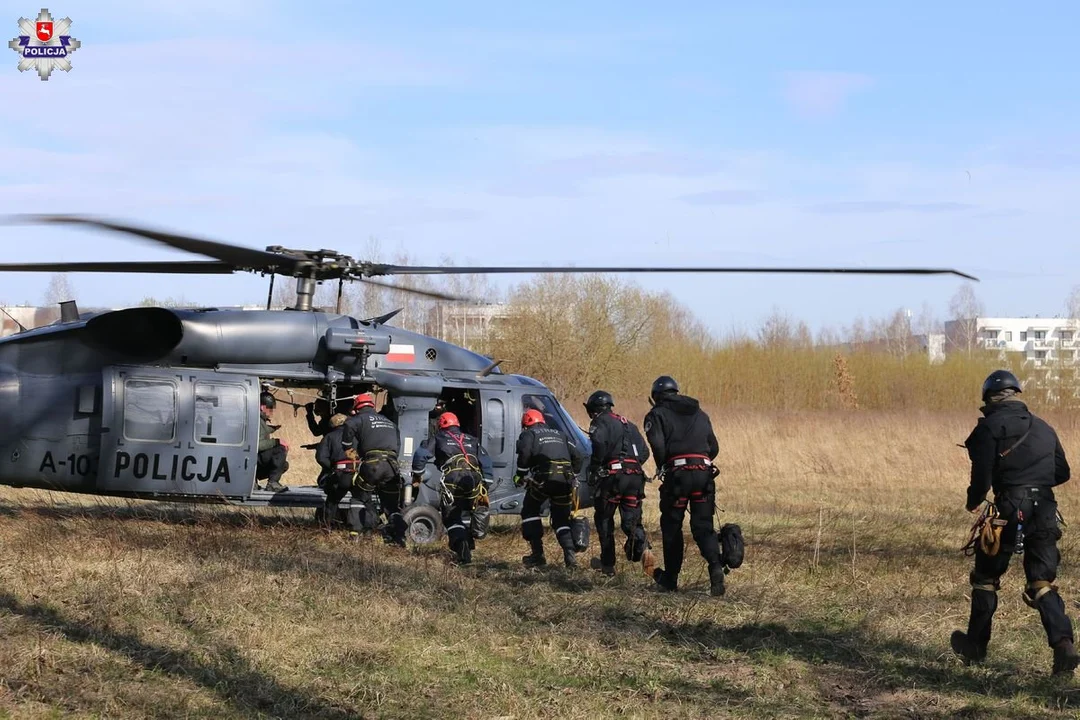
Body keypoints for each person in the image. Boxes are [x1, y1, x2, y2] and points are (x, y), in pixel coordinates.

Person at [951, 369, 1079, 674]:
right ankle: (1064, 647)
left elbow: (980, 477)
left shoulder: (988, 428)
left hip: (1009, 508)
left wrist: (973, 501)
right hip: (1046, 509)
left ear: (988, 398)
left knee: (985, 577)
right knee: (1041, 582)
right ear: (1015, 394)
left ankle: (976, 647)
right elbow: (1062, 472)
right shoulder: (1043, 427)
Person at [643, 375, 725, 596]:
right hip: (703, 474)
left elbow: (657, 445)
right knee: (703, 527)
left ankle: (670, 578)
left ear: (656, 396)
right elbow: (714, 447)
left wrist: (663, 466)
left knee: (672, 527)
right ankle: (716, 568)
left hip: (678, 476)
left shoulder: (656, 414)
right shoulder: (700, 413)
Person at [583, 390, 651, 576]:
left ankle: (607, 565)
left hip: (613, 479)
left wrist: (596, 467)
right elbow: (645, 452)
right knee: (632, 521)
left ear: (593, 410)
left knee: (604, 519)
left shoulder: (599, 422)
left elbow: (598, 444)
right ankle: (644, 549)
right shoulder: (630, 424)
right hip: (635, 478)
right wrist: (631, 466)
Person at [411, 411, 492, 564]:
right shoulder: (472, 439)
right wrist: (487, 482)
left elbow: (421, 455)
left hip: (453, 479)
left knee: (451, 517)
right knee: (468, 511)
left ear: (441, 424)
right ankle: (468, 545)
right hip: (474, 479)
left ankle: (463, 552)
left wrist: (417, 474)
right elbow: (486, 461)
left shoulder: (439, 438)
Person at [515, 408, 586, 568]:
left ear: (526, 424)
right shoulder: (560, 434)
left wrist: (520, 474)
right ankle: (570, 558)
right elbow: (578, 457)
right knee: (561, 519)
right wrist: (573, 474)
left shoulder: (529, 434)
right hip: (565, 482)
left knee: (529, 510)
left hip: (543, 480)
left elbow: (525, 454)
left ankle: (537, 555)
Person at [341, 392, 405, 545]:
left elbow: (349, 426)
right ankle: (397, 538)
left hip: (372, 466)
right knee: (391, 505)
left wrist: (348, 448)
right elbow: (398, 446)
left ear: (356, 408)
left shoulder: (358, 419)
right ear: (372, 406)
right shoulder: (390, 422)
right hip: (392, 467)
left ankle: (356, 534)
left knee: (359, 497)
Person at [256, 391, 289, 493]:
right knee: (280, 450)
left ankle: (254, 480)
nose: (271, 412)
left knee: (283, 465)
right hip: (254, 460)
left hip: (254, 462)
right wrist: (276, 442)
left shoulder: (258, 419)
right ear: (262, 407)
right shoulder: (258, 421)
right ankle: (272, 483)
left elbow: (262, 430)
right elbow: (258, 445)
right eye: (270, 409)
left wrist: (273, 428)